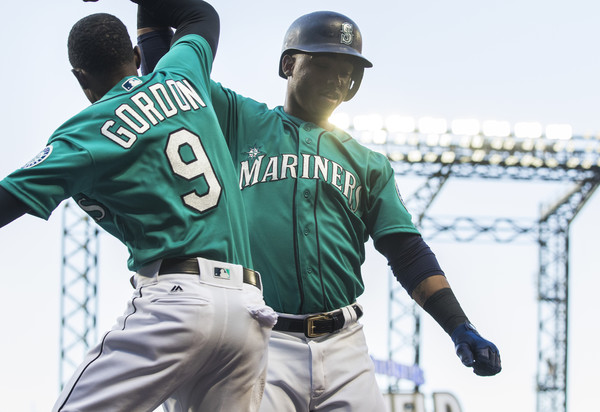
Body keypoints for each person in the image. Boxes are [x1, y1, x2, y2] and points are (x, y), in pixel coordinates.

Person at [137, 9, 502, 412]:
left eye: (347, 71)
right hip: (261, 336)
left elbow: (407, 251)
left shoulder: (368, 162)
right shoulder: (240, 120)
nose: (337, 80)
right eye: (325, 64)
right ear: (289, 64)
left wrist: (459, 326)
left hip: (345, 346)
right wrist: (149, 21)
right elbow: (170, 84)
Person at [0, 0, 277, 411]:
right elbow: (200, 15)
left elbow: (7, 200)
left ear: (80, 77)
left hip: (177, 304)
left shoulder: (83, 133)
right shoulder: (182, 74)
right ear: (135, 56)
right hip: (248, 308)